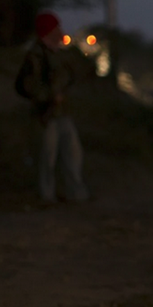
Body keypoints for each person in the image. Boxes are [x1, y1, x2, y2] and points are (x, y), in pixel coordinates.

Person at [16, 11, 90, 204]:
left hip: (62, 114)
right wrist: (49, 96)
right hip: (46, 115)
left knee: (73, 154)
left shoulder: (59, 55)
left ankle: (76, 193)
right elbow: (28, 86)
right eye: (56, 28)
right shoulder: (36, 56)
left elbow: (70, 78)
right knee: (46, 157)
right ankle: (46, 196)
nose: (60, 32)